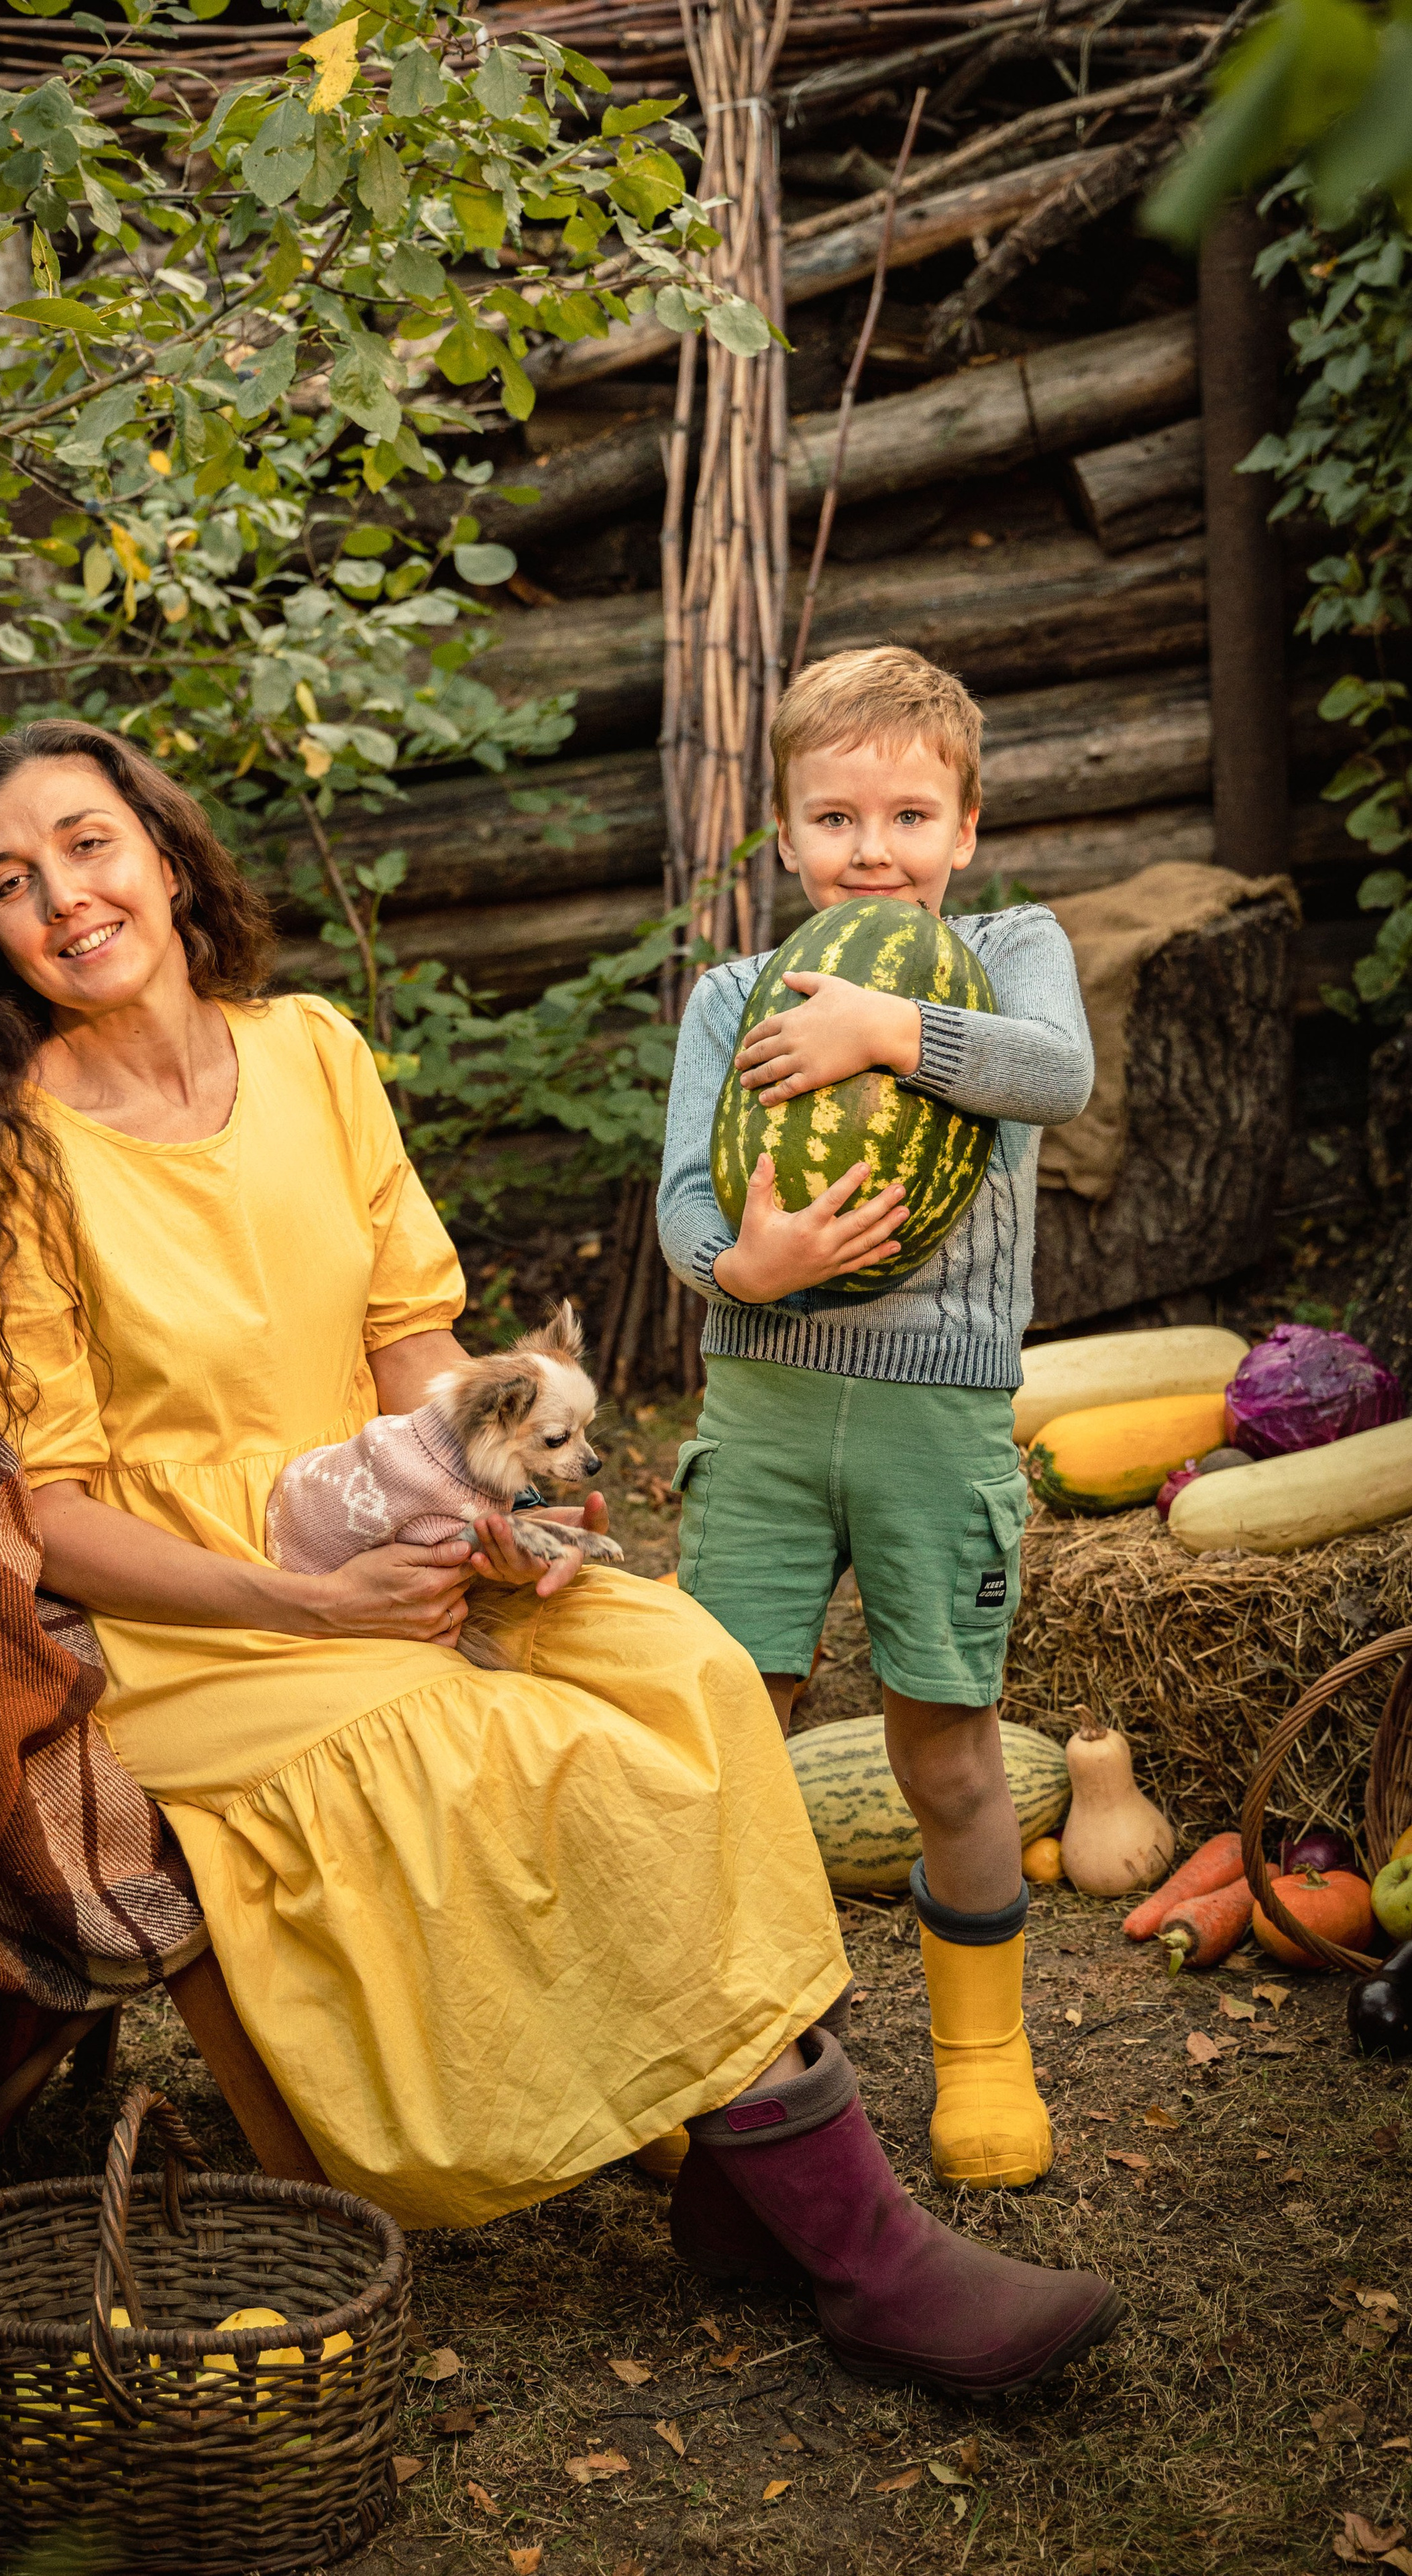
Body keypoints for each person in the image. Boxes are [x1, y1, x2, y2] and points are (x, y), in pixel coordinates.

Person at [0, 715, 1120, 2394]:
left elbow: (413, 1353)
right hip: (190, 1622)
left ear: (161, 853)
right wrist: (309, 1596)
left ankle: (752, 2180)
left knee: (674, 1665)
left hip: (393, 1528)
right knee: (492, 1750)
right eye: (12, 883)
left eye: (88, 844)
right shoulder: (0, 1156)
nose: (64, 898)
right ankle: (866, 2254)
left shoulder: (307, 1051)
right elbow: (53, 1515)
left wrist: (493, 1516)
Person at [657, 647, 1095, 2195]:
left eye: (909, 814)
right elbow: (682, 1202)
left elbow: (1056, 1075)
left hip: (936, 1423)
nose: (872, 849)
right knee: (719, 1737)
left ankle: (982, 2057)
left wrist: (888, 1036)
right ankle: (713, 2053)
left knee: (948, 1752)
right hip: (764, 1413)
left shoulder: (1005, 947)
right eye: (833, 817)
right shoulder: (731, 991)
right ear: (783, 837)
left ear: (963, 829)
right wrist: (740, 1263)